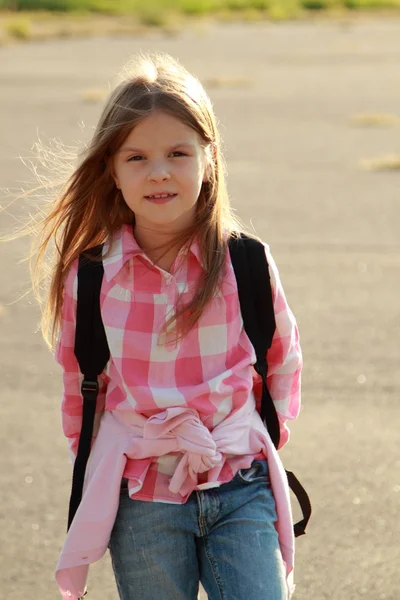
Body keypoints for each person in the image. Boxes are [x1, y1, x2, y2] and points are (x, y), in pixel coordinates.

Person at [31, 52, 303, 600]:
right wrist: (95, 469)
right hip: (141, 494)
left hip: (239, 479)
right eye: (137, 157)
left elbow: (281, 360)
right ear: (112, 169)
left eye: (179, 153)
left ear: (210, 159)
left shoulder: (243, 263)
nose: (159, 171)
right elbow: (82, 387)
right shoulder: (92, 277)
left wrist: (255, 441)